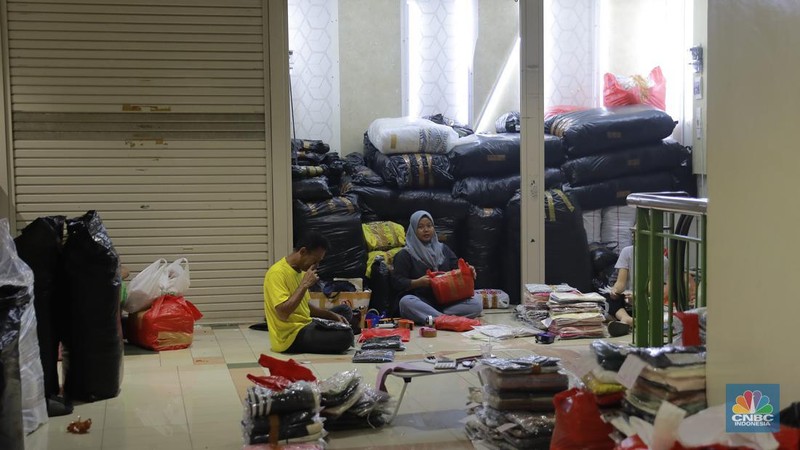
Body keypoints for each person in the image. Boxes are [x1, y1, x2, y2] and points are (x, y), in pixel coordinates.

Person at [263, 231, 354, 354]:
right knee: (345, 337)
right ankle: (342, 331)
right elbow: (283, 313)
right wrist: (304, 285)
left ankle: (339, 328)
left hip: (307, 322)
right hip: (291, 336)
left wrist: (332, 316)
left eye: (319, 262)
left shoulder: (300, 271)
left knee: (344, 311)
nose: (316, 266)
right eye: (315, 261)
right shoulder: (277, 273)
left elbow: (305, 307)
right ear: (303, 252)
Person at [391, 210, 483, 325]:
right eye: (420, 227)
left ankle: (437, 318)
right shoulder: (405, 254)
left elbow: (457, 269)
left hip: (446, 302)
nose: (426, 230)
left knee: (477, 304)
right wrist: (417, 283)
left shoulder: (443, 249)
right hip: (421, 301)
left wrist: (468, 272)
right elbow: (397, 282)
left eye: (429, 226)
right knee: (405, 302)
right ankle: (445, 319)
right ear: (413, 230)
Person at [607, 243, 669, 337]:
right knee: (610, 297)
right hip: (627, 298)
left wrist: (637, 297)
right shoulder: (627, 252)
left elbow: (653, 290)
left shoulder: (662, 260)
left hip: (645, 299)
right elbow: (620, 283)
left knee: (655, 303)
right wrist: (615, 291)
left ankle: (628, 321)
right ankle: (628, 319)